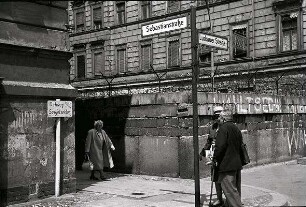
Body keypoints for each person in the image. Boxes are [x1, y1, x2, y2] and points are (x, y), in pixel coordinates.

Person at [213, 109, 243, 207]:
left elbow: (220, 147)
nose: (219, 119)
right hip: (236, 163)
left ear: (224, 118)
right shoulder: (236, 128)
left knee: (230, 192)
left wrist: (215, 159)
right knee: (234, 189)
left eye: (220, 117)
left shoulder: (223, 129)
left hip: (226, 165)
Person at [200, 106, 224, 207]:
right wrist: (202, 153)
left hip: (223, 157)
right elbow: (209, 142)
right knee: (215, 178)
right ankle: (219, 199)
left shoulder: (226, 127)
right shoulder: (212, 128)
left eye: (219, 116)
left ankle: (228, 199)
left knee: (225, 179)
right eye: (215, 116)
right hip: (213, 155)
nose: (217, 118)